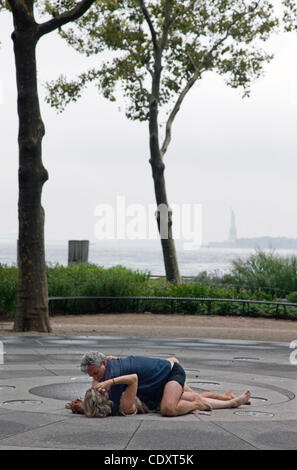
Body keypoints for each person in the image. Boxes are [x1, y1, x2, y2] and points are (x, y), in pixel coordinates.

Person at [69, 351, 251, 417]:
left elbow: (128, 380)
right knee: (192, 396)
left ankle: (204, 405)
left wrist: (87, 405)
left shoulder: (111, 379)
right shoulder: (106, 370)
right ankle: (229, 400)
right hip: (155, 382)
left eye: (95, 374)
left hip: (170, 372)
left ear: (104, 364)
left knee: (169, 408)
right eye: (92, 375)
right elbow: (98, 391)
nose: (95, 379)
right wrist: (87, 405)